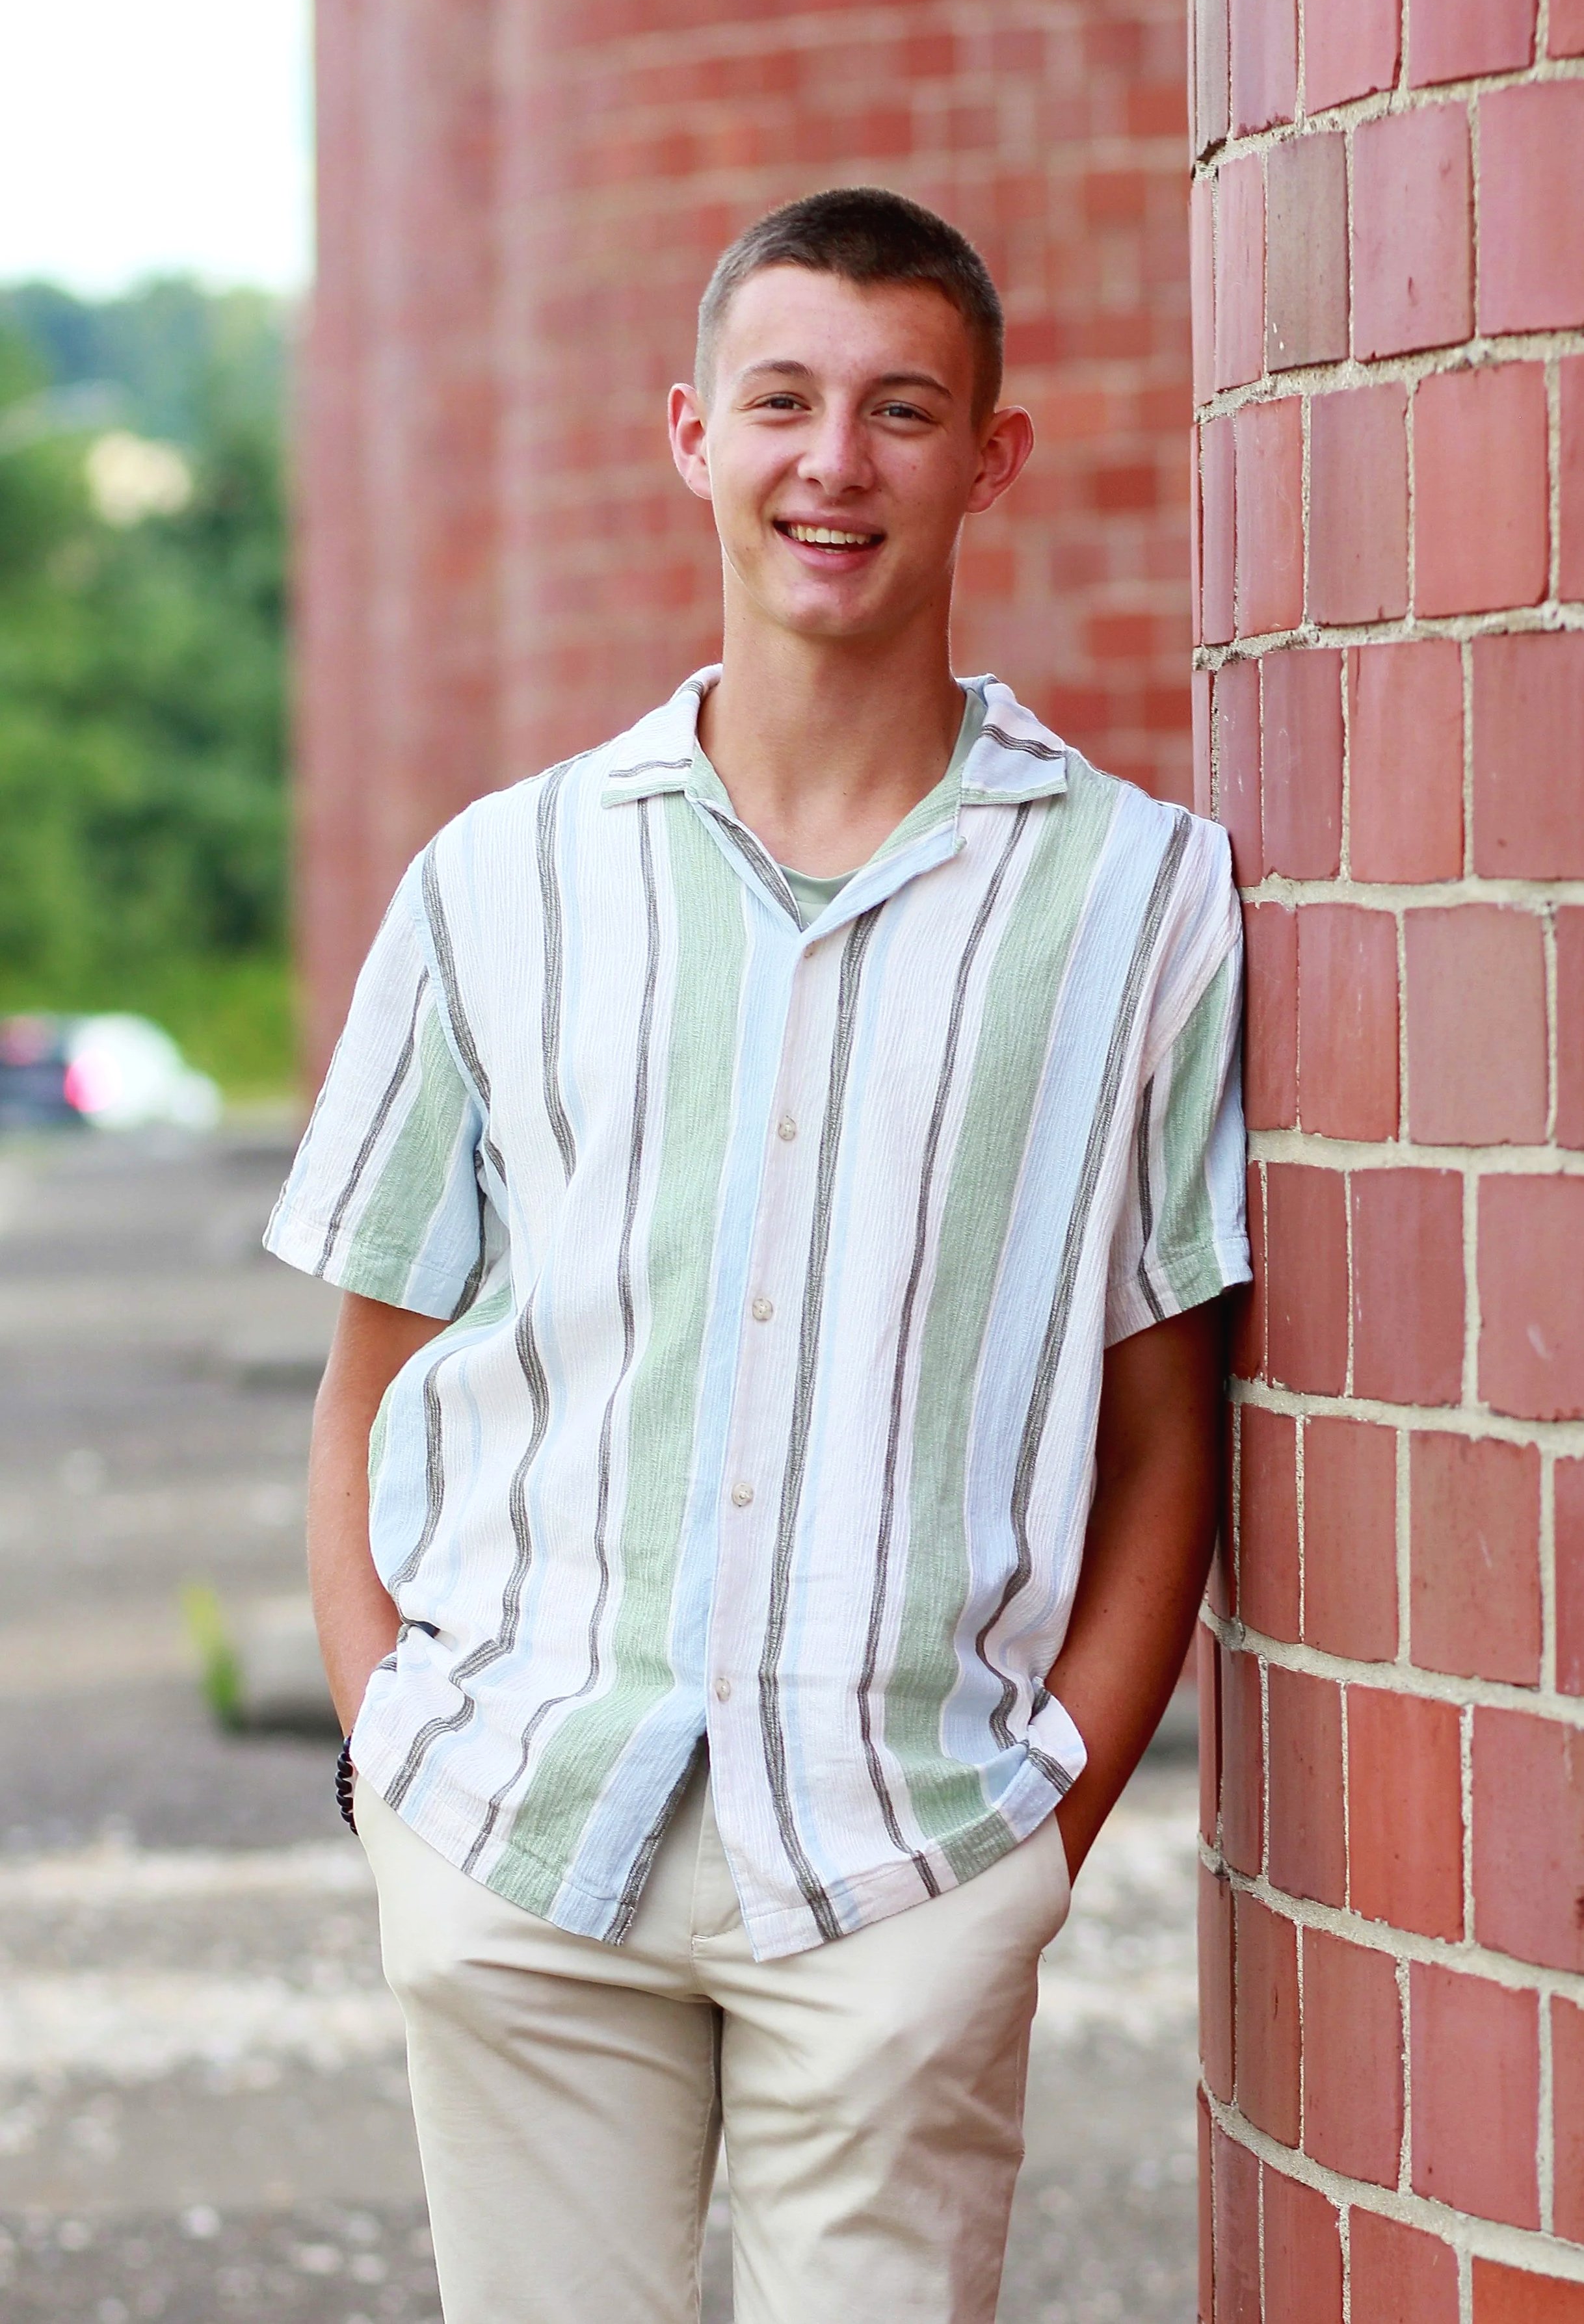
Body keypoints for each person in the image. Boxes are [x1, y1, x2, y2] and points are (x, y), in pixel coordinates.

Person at [267, 186, 1247, 2324]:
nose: (836, 462)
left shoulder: (1140, 907)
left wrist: (1030, 1843)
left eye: (902, 410)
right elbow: (377, 1373)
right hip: (517, 1843)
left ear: (991, 457)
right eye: (785, 401)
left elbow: (1171, 1426)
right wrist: (391, 1770)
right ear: (688, 433)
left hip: (907, 1852)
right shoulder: (498, 883)